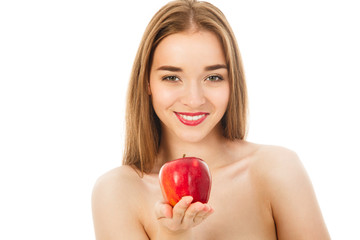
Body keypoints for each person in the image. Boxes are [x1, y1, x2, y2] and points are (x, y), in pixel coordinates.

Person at [91, 0, 331, 239]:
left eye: (213, 77)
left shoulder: (278, 169)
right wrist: (174, 234)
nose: (194, 100)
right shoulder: (116, 192)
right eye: (172, 77)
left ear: (232, 82)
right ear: (147, 83)